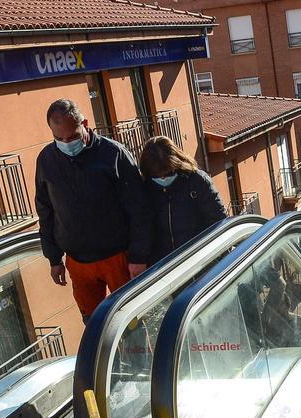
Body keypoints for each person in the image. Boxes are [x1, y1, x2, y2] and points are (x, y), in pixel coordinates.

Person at [35, 98, 152, 321]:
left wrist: (138, 256)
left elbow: (139, 208)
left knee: (133, 321)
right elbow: (45, 210)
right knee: (94, 325)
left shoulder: (113, 154)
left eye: (72, 137)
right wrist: (54, 259)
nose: (66, 143)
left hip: (118, 257)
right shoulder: (47, 159)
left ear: (85, 123)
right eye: (59, 138)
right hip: (77, 262)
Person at [139, 135, 228, 262]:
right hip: (164, 267)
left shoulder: (197, 181)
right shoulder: (144, 189)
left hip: (201, 260)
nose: (163, 178)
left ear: (176, 163)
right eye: (158, 176)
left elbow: (218, 221)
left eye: (167, 173)